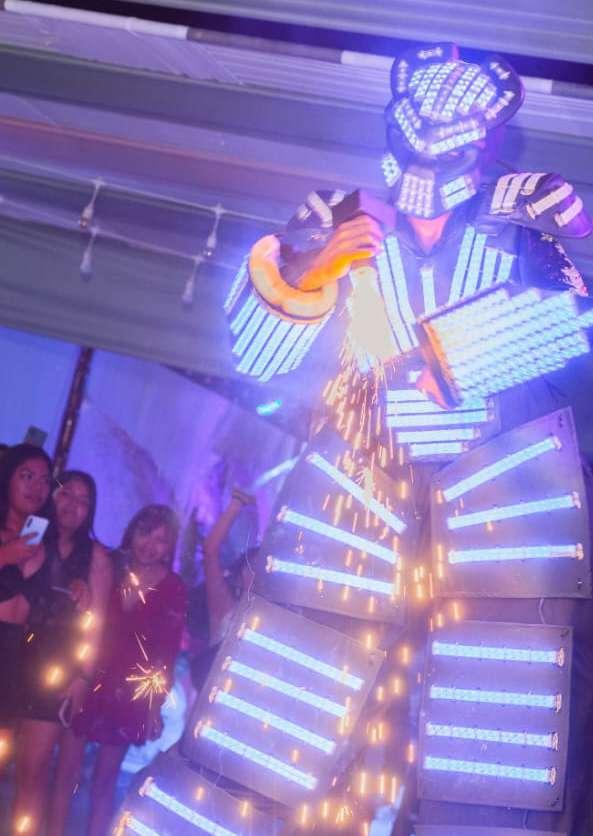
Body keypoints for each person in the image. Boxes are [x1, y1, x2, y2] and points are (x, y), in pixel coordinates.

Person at [222, 42, 592, 833]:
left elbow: (576, 322)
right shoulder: (335, 219)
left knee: (490, 764)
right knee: (267, 736)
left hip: (496, 513)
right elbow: (253, 353)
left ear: (481, 142)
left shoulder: (520, 216)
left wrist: (454, 358)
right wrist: (308, 272)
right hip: (356, 508)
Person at [52, 504, 187, 836]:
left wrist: (154, 705)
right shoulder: (107, 565)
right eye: (145, 533)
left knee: (105, 781)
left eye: (161, 539)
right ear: (131, 532)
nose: (150, 545)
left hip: (130, 694)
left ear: (170, 547)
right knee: (65, 775)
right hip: (88, 678)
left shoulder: (173, 587)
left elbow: (166, 653)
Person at [13, 471, 112, 836]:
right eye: (66, 494)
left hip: (57, 666)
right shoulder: (31, 533)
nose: (73, 504)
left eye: (83, 500)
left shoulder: (96, 557)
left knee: (33, 769)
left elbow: (97, 625)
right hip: (13, 656)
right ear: (52, 496)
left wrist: (82, 678)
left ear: (91, 510)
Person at [0, 444, 52, 785]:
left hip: (15, 654)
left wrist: (77, 586)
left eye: (45, 480)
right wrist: (6, 555)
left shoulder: (43, 542)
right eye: (27, 476)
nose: (36, 487)